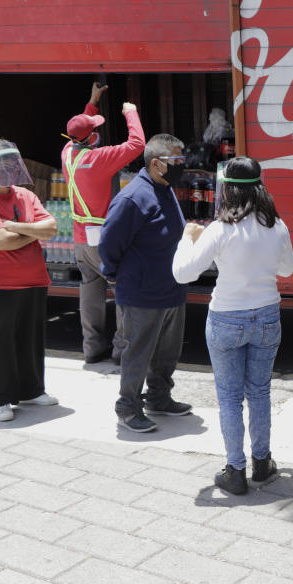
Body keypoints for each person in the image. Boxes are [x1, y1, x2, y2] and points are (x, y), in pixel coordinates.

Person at [172, 156, 293, 495]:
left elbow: (182, 274)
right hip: (267, 315)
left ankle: (235, 471)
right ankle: (262, 462)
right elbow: (288, 270)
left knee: (229, 398)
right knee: (259, 392)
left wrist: (187, 238)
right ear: (260, 188)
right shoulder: (278, 226)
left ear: (226, 189)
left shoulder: (220, 229)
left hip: (226, 317)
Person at [99, 133, 192, 433]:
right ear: (156, 163)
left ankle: (159, 397)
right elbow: (110, 243)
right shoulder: (133, 197)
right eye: (176, 161)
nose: (182, 166)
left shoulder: (164, 188)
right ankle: (127, 407)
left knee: (167, 353)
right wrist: (113, 273)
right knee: (138, 352)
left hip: (171, 289)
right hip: (142, 292)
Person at [0, 140, 59, 422]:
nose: (7, 170)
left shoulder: (25, 196)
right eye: (0, 165)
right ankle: (0, 400)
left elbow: (51, 227)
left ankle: (32, 390)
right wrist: (33, 232)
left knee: (30, 341)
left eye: (11, 164)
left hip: (33, 280)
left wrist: (16, 226)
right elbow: (0, 242)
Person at [62, 83, 145, 364]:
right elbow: (137, 145)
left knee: (90, 292)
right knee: (121, 288)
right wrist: (131, 114)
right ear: (93, 137)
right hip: (104, 238)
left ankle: (92, 347)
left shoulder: (67, 154)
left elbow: (79, 129)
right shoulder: (99, 159)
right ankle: (121, 351)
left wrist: (92, 103)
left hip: (80, 239)